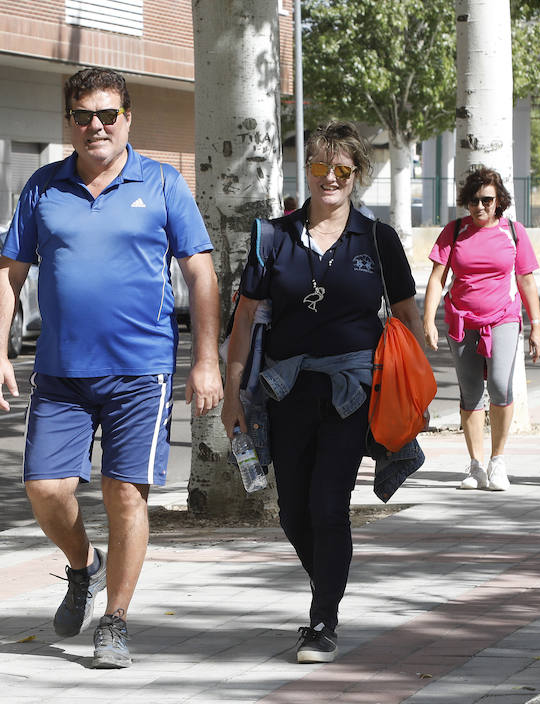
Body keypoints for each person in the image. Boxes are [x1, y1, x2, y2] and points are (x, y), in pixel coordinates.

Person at [0, 68, 223, 668]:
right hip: (61, 371)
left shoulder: (164, 184)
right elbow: (9, 275)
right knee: (45, 488)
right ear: (69, 121)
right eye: (84, 115)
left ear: (127, 120)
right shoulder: (43, 187)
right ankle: (82, 565)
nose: (96, 126)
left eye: (107, 114)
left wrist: (208, 360)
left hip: (142, 372)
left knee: (125, 494)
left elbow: (200, 274)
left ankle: (114, 621)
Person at [221, 121, 422, 664]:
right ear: (305, 170)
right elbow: (242, 322)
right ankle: (328, 588)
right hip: (284, 390)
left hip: (352, 391)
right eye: (318, 167)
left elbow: (406, 314)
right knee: (291, 512)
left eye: (341, 170)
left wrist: (414, 388)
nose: (328, 178)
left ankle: (322, 619)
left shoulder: (377, 240)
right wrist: (232, 394)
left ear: (357, 175)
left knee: (328, 506)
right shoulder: (273, 236)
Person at [423, 168, 540, 492]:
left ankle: (498, 460)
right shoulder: (455, 230)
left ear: (498, 200)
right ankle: (476, 466)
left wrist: (537, 327)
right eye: (474, 200)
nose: (480, 206)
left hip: (503, 317)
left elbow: (527, 281)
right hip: (462, 320)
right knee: (471, 392)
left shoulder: (513, 232)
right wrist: (428, 321)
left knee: (503, 386)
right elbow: (437, 279)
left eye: (487, 200)